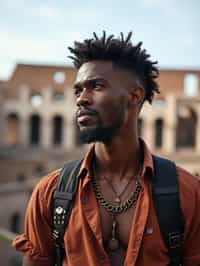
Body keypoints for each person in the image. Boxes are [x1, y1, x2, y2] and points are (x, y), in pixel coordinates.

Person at [12, 31, 200, 266]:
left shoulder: (187, 193)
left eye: (96, 86)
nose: (81, 99)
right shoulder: (50, 193)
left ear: (135, 95)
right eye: (78, 90)